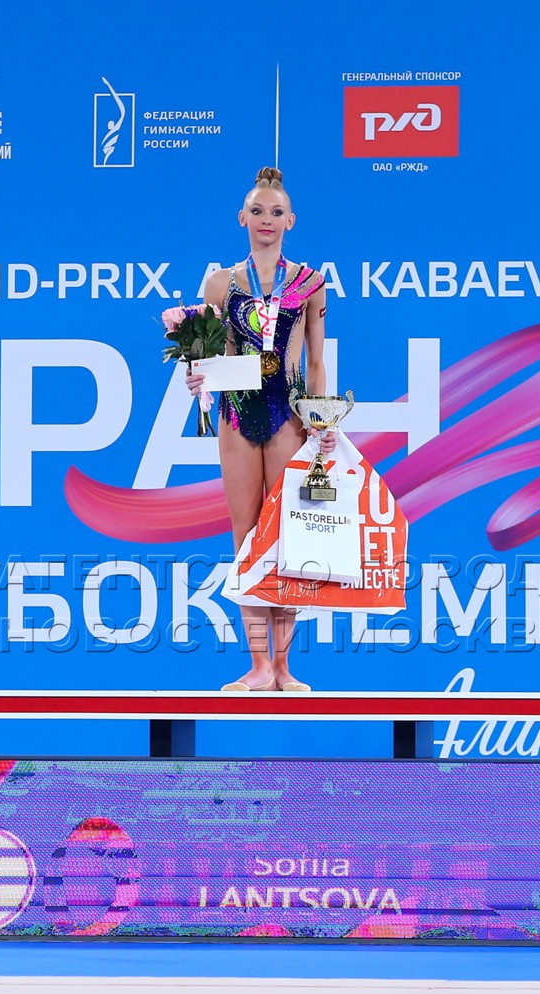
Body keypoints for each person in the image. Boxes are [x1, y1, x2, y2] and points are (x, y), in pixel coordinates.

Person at [185, 166, 330, 692]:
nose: (266, 219)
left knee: (287, 535)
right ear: (241, 218)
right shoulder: (219, 283)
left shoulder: (310, 282)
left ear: (291, 221)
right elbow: (214, 354)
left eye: (276, 212)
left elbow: (316, 362)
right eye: (257, 211)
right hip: (237, 415)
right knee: (246, 537)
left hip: (289, 414)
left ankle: (285, 667)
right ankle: (258, 665)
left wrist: (320, 420)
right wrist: (197, 375)